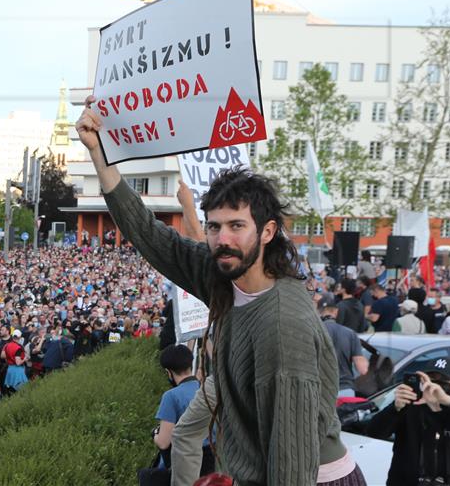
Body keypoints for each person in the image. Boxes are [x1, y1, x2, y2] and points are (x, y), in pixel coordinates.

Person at [75, 99, 363, 486]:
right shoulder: (224, 276)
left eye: (236, 226)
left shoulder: (282, 324)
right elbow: (152, 236)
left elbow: (291, 461)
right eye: (214, 227)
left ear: (267, 231)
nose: (222, 239)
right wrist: (100, 154)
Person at [367, 356, 450, 486]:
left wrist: (447, 401)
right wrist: (395, 408)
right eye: (429, 380)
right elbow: (374, 432)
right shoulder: (408, 405)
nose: (433, 387)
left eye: (441, 382)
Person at [138, 345, 214, 486]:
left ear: (168, 372)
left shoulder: (171, 396)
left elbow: (164, 442)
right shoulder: (207, 390)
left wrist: (155, 433)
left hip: (186, 465)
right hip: (212, 461)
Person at [320, 304, 369, 398]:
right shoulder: (350, 333)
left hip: (320, 390)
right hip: (345, 389)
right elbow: (362, 369)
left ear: (321, 313)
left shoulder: (313, 332)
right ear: (336, 312)